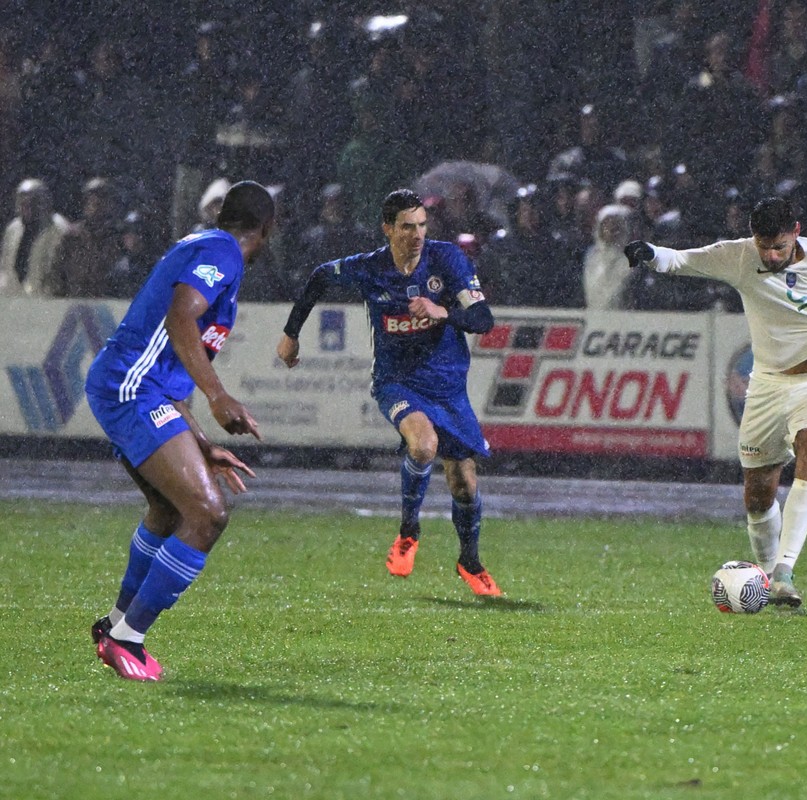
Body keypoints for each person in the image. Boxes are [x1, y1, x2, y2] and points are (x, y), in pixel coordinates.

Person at [624, 196, 807, 607]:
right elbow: (683, 260)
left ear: (796, 232)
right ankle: (767, 577)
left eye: (779, 246)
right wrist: (649, 253)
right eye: (765, 247)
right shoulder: (740, 256)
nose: (772, 255)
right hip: (764, 386)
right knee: (759, 497)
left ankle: (784, 571)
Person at [86, 180, 275, 681]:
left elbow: (172, 372)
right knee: (207, 513)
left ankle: (117, 624)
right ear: (267, 228)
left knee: (170, 509)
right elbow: (179, 317)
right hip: (131, 387)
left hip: (139, 387)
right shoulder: (222, 251)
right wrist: (218, 396)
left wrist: (202, 443)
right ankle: (128, 638)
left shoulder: (205, 246)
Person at [276, 189, 502, 597]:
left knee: (464, 483)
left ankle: (469, 561)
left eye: (422, 226)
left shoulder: (447, 260)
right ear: (388, 229)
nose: (417, 235)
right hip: (396, 381)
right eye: (407, 227)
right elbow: (320, 277)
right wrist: (291, 334)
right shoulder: (370, 268)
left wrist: (443, 312)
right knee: (423, 445)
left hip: (447, 386)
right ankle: (408, 532)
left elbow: (483, 319)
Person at [0, 178, 69, 297]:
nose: (27, 209)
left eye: (33, 203)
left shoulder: (59, 229)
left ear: (45, 203)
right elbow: (5, 268)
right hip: (12, 299)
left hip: (44, 300)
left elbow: (58, 274)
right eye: (23, 204)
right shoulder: (13, 229)